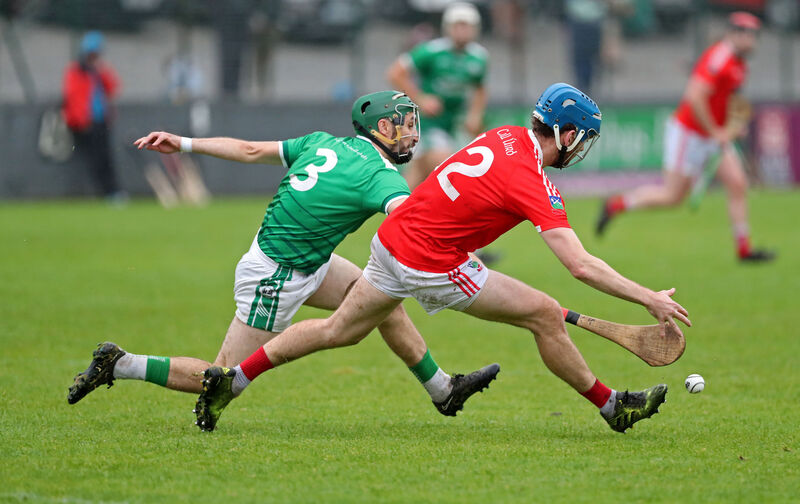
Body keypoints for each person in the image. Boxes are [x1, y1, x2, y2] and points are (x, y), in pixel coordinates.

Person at [195, 83, 691, 434]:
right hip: (430, 261)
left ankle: (233, 381)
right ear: (565, 133)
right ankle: (613, 407)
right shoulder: (532, 180)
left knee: (337, 330)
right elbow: (580, 265)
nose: (581, 149)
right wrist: (647, 298)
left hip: (392, 242)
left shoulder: (504, 135)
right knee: (543, 313)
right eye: (582, 139)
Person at [67, 91, 499, 421]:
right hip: (277, 276)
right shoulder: (381, 177)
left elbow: (250, 151)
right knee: (221, 378)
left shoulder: (321, 141)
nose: (413, 134)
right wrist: (469, 241)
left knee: (382, 299)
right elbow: (415, 224)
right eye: (405, 125)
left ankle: (443, 390)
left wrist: (183, 142)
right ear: (381, 128)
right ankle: (120, 364)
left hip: (305, 259)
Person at [596, 12, 774, 263]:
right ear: (733, 34)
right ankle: (615, 204)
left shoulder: (740, 63)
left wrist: (733, 126)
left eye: (755, 35)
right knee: (672, 197)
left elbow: (726, 99)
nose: (752, 41)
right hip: (688, 134)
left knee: (737, 183)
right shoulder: (719, 59)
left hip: (713, 136)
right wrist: (716, 131)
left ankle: (744, 249)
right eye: (747, 35)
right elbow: (695, 96)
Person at [386, 1, 488, 191]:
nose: (462, 31)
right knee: (448, 165)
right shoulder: (431, 51)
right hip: (428, 122)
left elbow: (480, 88)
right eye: (457, 25)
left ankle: (397, 204)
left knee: (418, 175)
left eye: (467, 26)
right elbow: (395, 73)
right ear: (447, 27)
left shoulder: (479, 56)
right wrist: (421, 99)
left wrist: (475, 115)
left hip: (453, 122)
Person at [61, 31, 125, 202]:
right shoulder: (76, 72)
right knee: (94, 159)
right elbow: (72, 97)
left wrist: (102, 69)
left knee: (105, 158)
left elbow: (113, 87)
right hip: (84, 124)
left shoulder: (98, 72)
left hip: (101, 122)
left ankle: (111, 192)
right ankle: (106, 192)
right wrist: (81, 121)